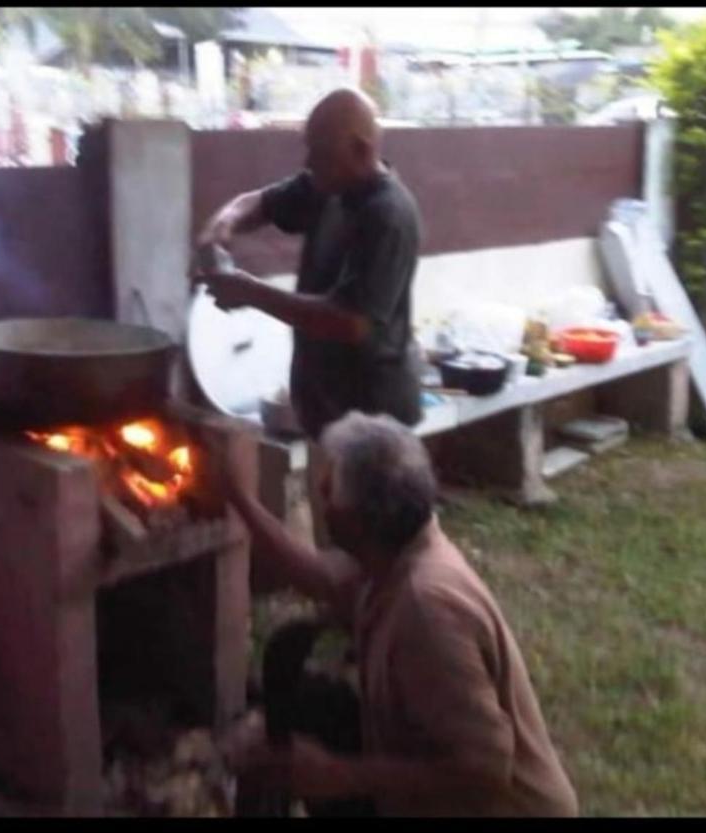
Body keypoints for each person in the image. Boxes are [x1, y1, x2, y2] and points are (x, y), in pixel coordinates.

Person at [216, 411, 579, 817]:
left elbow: (483, 771)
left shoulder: (427, 610)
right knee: (302, 687)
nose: (320, 490)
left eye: (330, 485)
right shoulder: (396, 550)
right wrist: (239, 497)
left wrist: (337, 774)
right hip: (442, 780)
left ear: (360, 520)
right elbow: (319, 576)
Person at [193, 87, 423, 441]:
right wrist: (223, 225)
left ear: (361, 150)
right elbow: (260, 203)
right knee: (330, 496)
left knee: (363, 497)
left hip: (375, 417)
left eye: (320, 152)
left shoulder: (387, 215)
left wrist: (250, 292)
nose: (308, 163)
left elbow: (351, 322)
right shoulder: (328, 186)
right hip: (326, 408)